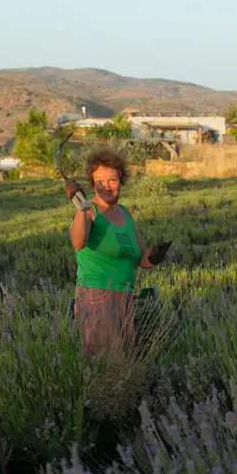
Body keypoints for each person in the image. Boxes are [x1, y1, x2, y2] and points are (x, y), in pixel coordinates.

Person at [66, 148, 172, 358]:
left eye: (112, 180)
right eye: (100, 181)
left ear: (121, 179)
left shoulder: (124, 213)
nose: (107, 187)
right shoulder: (89, 212)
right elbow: (78, 243)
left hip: (124, 296)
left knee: (122, 360)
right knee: (105, 365)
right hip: (97, 296)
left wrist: (155, 255)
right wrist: (80, 208)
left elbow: (141, 258)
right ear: (92, 183)